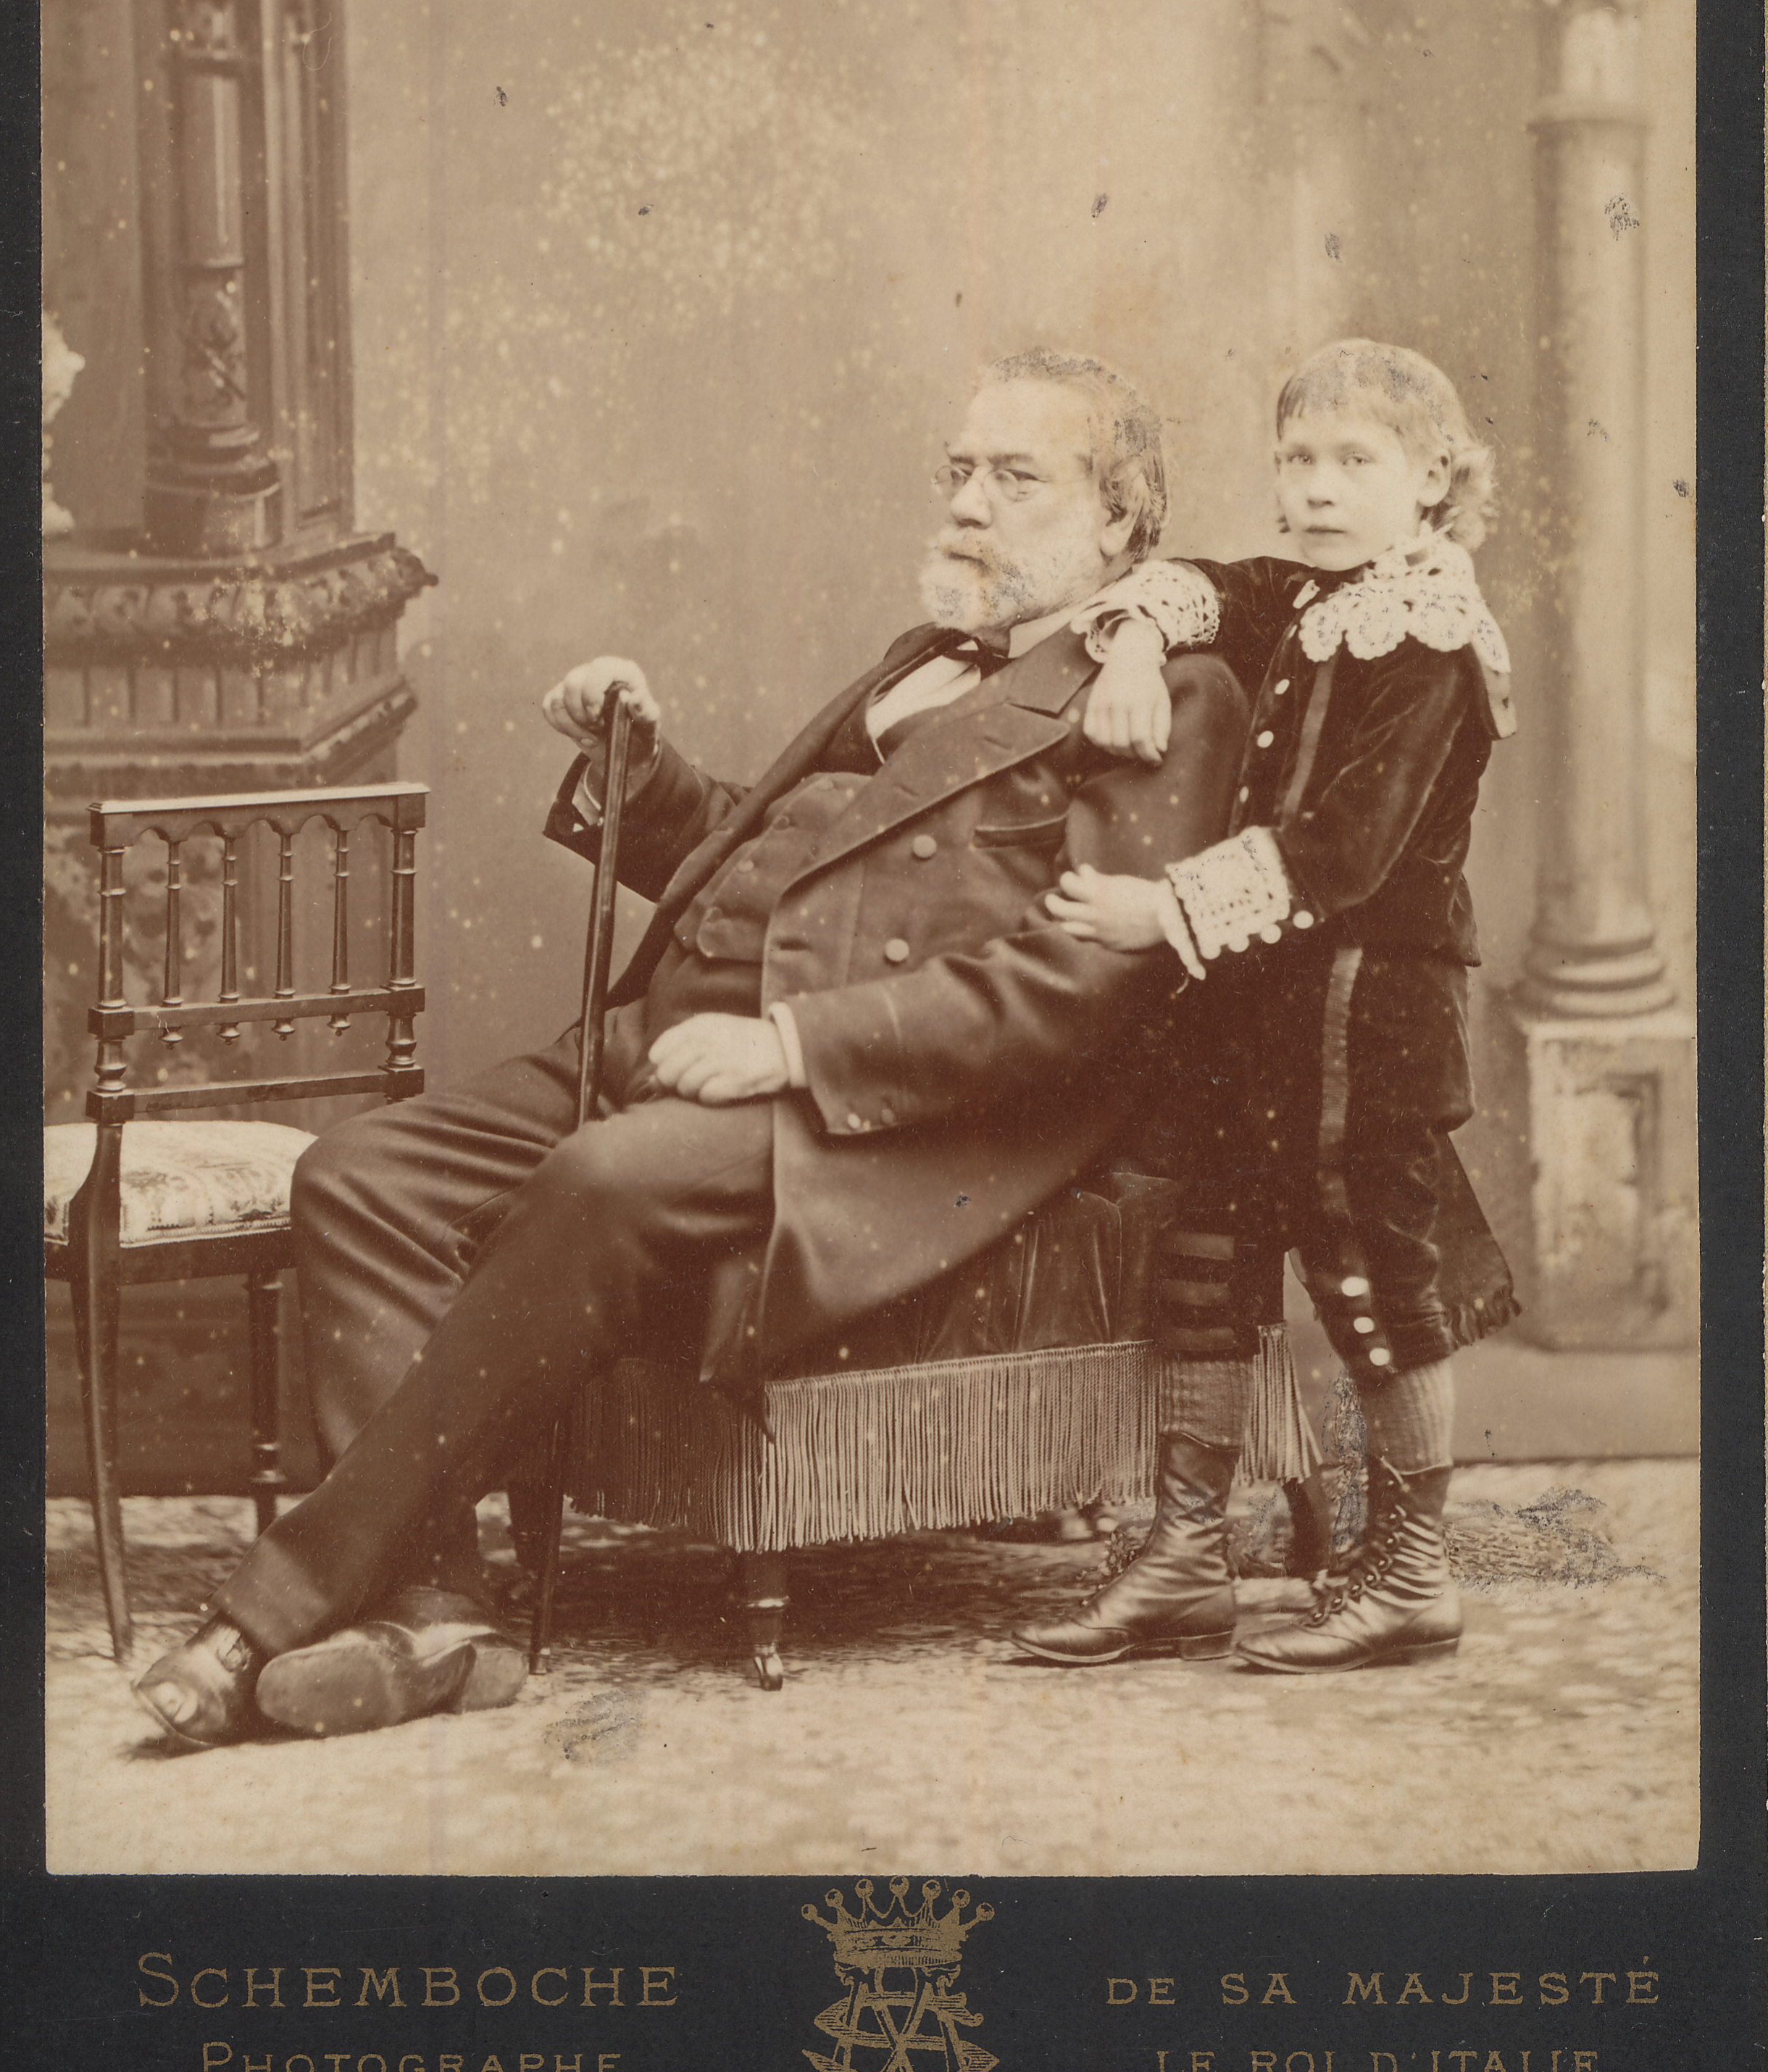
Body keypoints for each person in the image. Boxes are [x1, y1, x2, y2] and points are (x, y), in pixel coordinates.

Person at [133, 349, 1246, 1748]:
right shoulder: (921, 665)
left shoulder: (1159, 693)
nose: (968, 504)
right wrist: (643, 771)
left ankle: (278, 1601)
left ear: (1120, 525)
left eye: (1015, 478)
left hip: (881, 1109)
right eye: (957, 471)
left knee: (598, 1183)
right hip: (674, 1042)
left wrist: (788, 1044)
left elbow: (1078, 989)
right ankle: (431, 1616)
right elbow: (791, 864)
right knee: (361, 1170)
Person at [1012, 338, 1517, 1675]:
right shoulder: (1309, 591)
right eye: (1298, 458)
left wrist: (1156, 910)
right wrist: (1125, 641)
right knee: (1204, 1262)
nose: (1317, 486)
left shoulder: (1434, 635)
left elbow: (1347, 852)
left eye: (1357, 461)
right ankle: (1186, 1560)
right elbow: (1202, 585)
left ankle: (1410, 1572)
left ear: (1431, 484)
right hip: (1254, 1009)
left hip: (1366, 1013)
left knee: (1370, 1274)